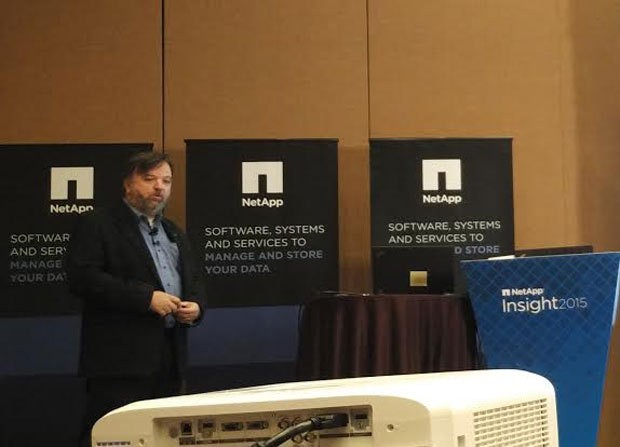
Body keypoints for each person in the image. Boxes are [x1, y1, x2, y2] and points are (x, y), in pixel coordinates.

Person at [66, 151, 206, 446]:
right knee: (111, 436)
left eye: (166, 181)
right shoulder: (98, 223)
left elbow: (193, 281)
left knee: (165, 438)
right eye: (149, 179)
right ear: (128, 184)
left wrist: (196, 307)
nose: (159, 187)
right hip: (119, 359)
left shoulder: (173, 231)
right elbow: (83, 278)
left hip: (170, 357)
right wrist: (146, 298)